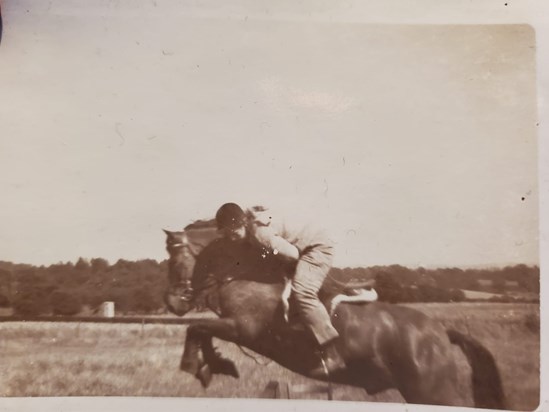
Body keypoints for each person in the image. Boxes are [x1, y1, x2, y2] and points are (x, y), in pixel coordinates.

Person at [215, 202, 345, 378]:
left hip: (316, 248)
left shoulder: (260, 234)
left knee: (303, 293)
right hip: (303, 247)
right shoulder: (251, 231)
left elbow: (292, 254)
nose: (232, 238)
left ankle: (332, 354)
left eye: (233, 233)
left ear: (243, 223)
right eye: (228, 234)